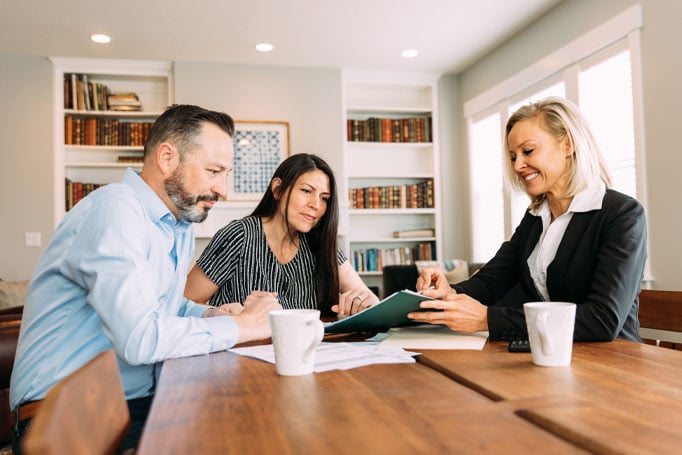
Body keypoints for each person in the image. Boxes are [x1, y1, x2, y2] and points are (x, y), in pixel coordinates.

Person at [10, 104, 282, 454]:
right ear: (167, 158)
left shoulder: (176, 222)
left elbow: (161, 304)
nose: (223, 190)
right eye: (214, 171)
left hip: (132, 403)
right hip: (65, 419)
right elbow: (140, 337)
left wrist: (211, 315)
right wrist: (246, 327)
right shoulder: (116, 211)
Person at [412, 96, 647, 342]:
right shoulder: (536, 217)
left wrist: (487, 319)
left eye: (528, 151)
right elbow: (493, 281)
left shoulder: (622, 214)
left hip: (613, 363)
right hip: (553, 356)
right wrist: (449, 292)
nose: (517, 166)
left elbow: (602, 320)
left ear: (568, 145)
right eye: (513, 156)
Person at [184, 153, 380, 317]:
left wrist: (366, 300)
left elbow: (367, 297)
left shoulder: (320, 243)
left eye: (324, 198)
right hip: (241, 355)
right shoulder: (239, 235)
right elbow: (185, 302)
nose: (316, 205)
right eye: (306, 191)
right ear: (278, 190)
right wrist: (226, 314)